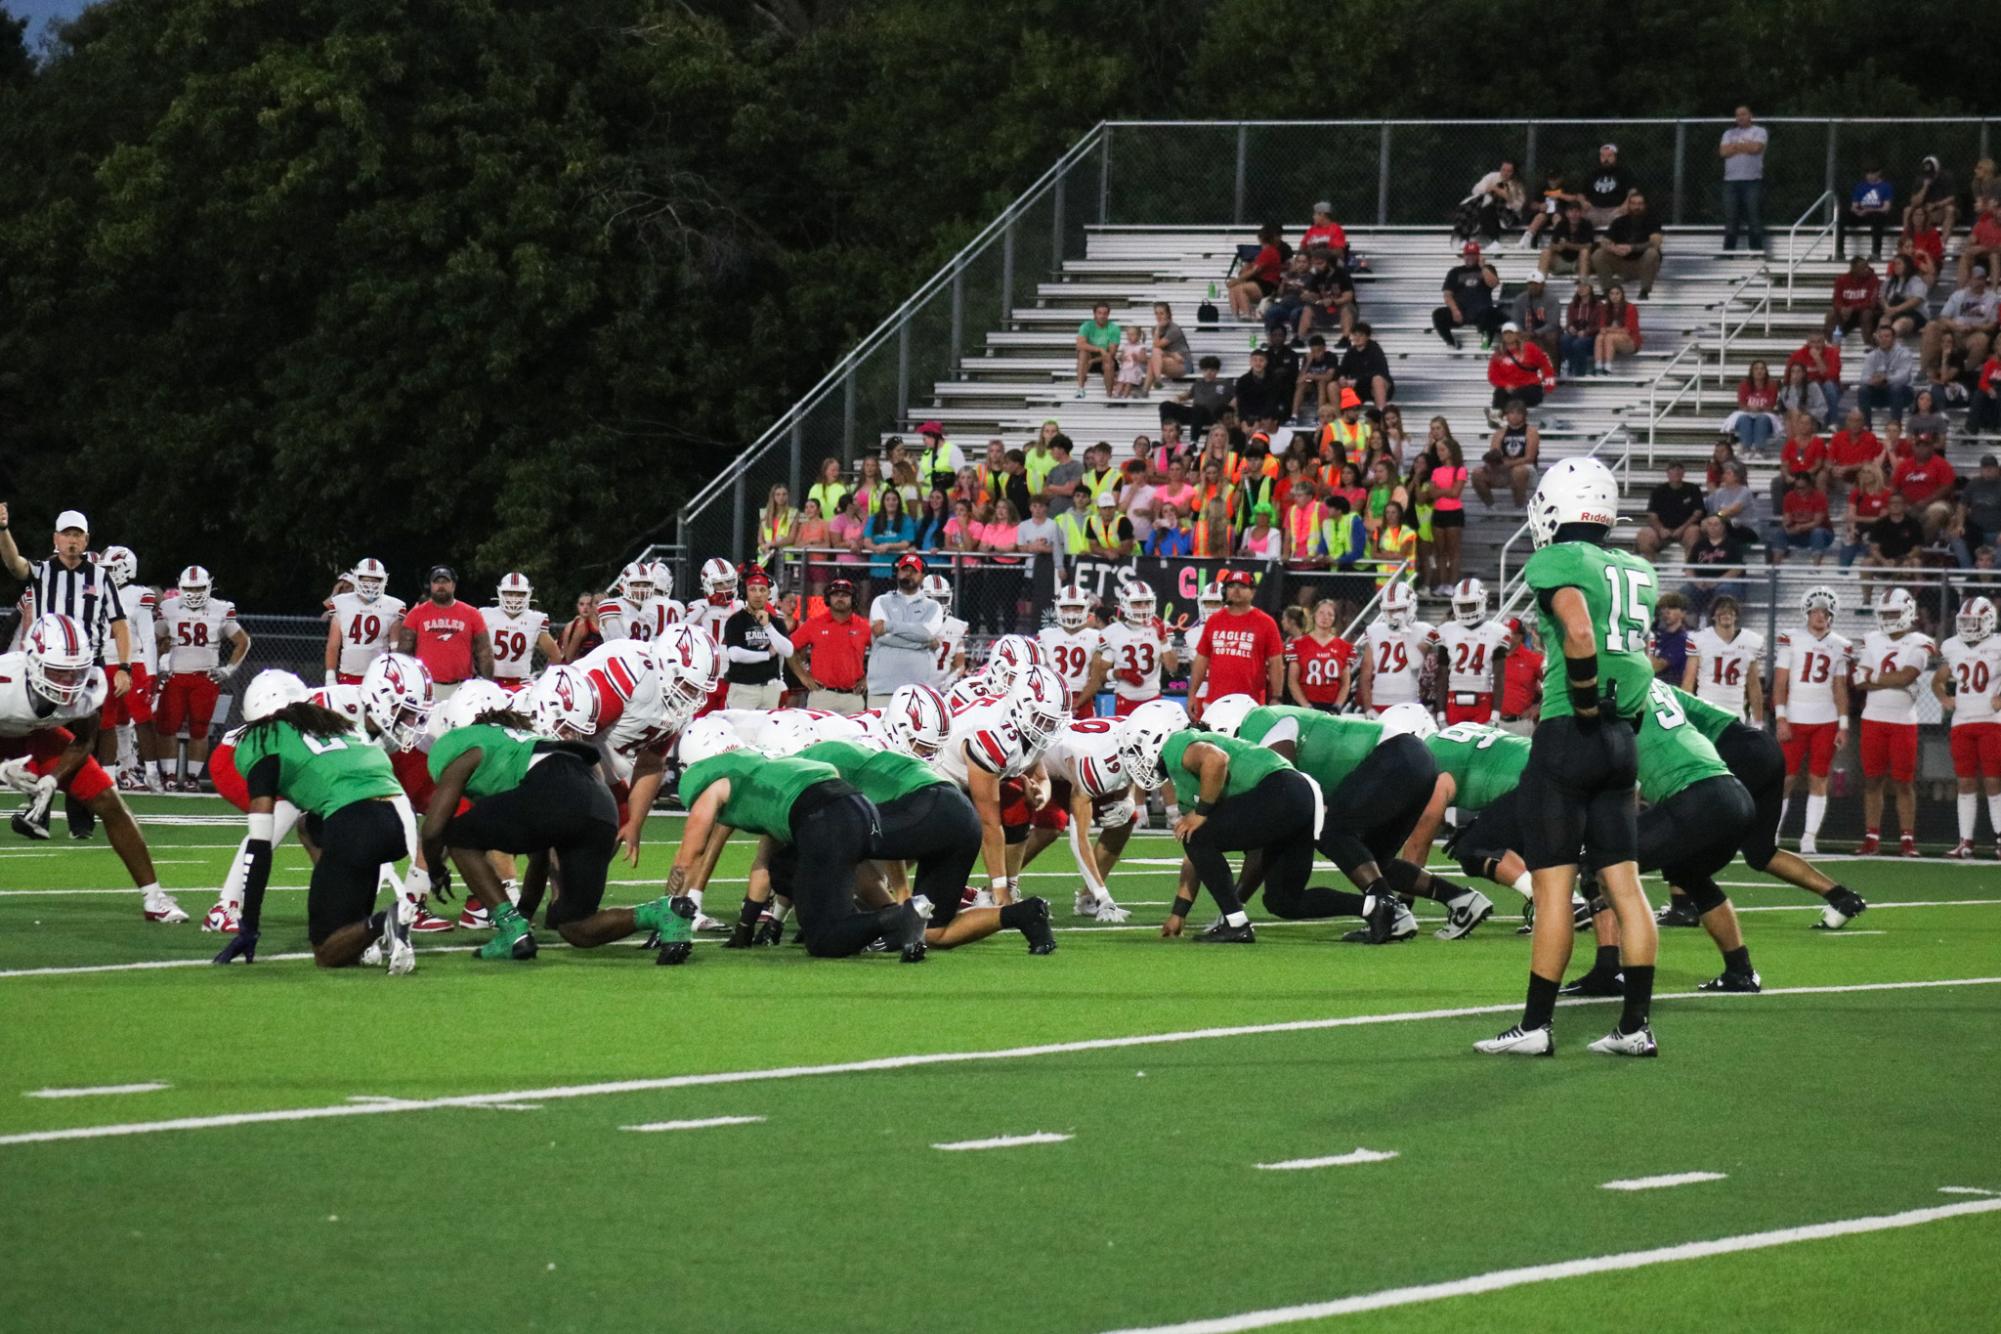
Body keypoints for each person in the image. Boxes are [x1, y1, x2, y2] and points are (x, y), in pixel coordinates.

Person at [1476, 458, 1662, 1058]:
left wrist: (1582, 700)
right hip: (1622, 740)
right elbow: (1636, 661)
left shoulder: (1559, 559)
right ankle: (1634, 1027)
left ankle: (1535, 1026)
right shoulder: (1638, 569)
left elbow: (1580, 635)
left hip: (1571, 733)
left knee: (1554, 890)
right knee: (1626, 889)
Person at [209, 670, 419, 972]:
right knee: (309, 825)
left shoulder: (262, 737)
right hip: (398, 822)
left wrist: (250, 924)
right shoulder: (339, 724)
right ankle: (361, 930)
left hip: (354, 824)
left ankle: (384, 921)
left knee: (326, 953)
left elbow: (260, 843)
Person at [0, 612, 180, 923]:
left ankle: (154, 898)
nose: (68, 683)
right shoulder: (5, 683)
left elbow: (83, 741)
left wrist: (52, 780)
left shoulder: (88, 688)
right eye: (58, 672)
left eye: (75, 673)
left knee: (110, 803)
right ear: (33, 662)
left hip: (39, 734)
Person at [1122, 707, 1350, 945]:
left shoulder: (1179, 743)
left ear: (1159, 734)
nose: (1136, 759)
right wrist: (1179, 913)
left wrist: (1201, 813)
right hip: (1299, 795)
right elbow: (1196, 857)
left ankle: (1236, 924)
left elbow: (1216, 760)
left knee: (1198, 834)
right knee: (1284, 901)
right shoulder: (1185, 774)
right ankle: (1374, 906)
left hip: (1281, 790)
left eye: (1137, 748)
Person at [155, 565, 252, 792]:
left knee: (200, 729)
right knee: (167, 727)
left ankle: (192, 778)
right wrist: (157, 665)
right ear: (180, 586)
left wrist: (228, 670)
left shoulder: (221, 608)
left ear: (208, 586)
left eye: (199, 587)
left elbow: (243, 641)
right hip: (175, 676)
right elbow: (154, 639)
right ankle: (169, 776)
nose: (194, 593)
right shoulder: (169, 607)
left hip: (204, 677)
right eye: (190, 588)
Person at [1853, 588, 1934, 857]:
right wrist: (1888, 678)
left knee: (1903, 782)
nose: (1888, 619)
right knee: (1872, 780)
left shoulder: (1920, 641)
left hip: (1903, 721)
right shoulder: (1872, 639)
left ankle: (1907, 839)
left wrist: (1874, 677)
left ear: (1908, 612)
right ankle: (1871, 837)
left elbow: (1906, 677)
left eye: (1894, 613)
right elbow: (1858, 680)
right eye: (1885, 614)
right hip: (1873, 719)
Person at [1773, 585, 1853, 856]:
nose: (1820, 616)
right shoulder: (1791, 638)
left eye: (1825, 612)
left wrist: (1844, 724)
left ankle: (1809, 837)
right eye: (1816, 611)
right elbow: (1780, 681)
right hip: (1795, 717)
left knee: (1819, 778)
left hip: (1825, 718)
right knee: (1785, 777)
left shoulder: (1841, 645)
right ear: (1807, 612)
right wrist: (1781, 717)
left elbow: (1840, 687)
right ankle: (1773, 831)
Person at [1935, 597, 2001, 858]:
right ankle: (1966, 841)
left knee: (1993, 781)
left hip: (1991, 721)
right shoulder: (1952, 647)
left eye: (1974, 622)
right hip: (1962, 721)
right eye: (1965, 622)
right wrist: (1943, 697)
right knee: (1964, 782)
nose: (1969, 627)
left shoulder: (1997, 645)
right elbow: (1938, 680)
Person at [1186, 568, 1283, 720]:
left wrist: (1277, 696)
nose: (1236, 591)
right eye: (1232, 586)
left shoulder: (1266, 622)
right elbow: (1201, 660)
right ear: (1225, 590)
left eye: (1242, 586)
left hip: (1250, 704)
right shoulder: (1214, 621)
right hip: (1214, 702)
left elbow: (1275, 662)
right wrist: (1192, 694)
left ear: (1252, 592)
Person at [394, 565, 491, 703]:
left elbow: (484, 652)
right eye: (436, 582)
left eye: (445, 582)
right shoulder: (416, 614)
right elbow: (403, 653)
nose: (441, 586)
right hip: (426, 686)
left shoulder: (471, 614)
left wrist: (488, 685)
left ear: (453, 585)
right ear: (430, 585)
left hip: (462, 686)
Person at [864, 553, 942, 708]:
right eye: (904, 569)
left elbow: (926, 633)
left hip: (920, 690)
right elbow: (881, 637)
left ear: (922, 576)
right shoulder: (880, 601)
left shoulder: (934, 606)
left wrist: (889, 626)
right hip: (882, 688)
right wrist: (921, 643)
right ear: (896, 572)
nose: (908, 573)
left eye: (914, 571)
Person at [1431, 578, 1508, 725]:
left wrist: (1495, 714)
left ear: (1482, 602)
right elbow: (1442, 675)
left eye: (1471, 605)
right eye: (1463, 606)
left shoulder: (1496, 631)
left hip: (1483, 698)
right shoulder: (1447, 630)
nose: (1466, 610)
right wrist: (1441, 715)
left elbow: (1499, 677)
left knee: (1481, 746)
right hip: (1454, 700)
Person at [788, 577, 870, 712]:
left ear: (853, 598)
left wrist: (868, 678)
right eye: (835, 594)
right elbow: (789, 648)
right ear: (828, 598)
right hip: (822, 695)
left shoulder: (863, 626)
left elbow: (881, 651)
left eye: (845, 595)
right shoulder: (814, 623)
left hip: (853, 696)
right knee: (818, 733)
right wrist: (803, 676)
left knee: (854, 733)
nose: (840, 598)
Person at [718, 566, 793, 710]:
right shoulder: (736, 620)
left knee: (769, 732)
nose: (758, 595)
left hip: (771, 689)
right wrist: (767, 654)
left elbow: (788, 650)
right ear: (745, 592)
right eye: (753, 589)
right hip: (743, 689)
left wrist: (768, 626)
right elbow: (735, 655)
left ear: (768, 593)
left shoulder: (776, 621)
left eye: (762, 590)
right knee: (742, 731)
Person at [324, 557, 405, 687]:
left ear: (384, 580)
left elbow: (395, 649)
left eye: (375, 580)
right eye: (366, 579)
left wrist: (397, 676)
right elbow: (333, 645)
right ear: (356, 578)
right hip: (348, 675)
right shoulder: (341, 603)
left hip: (380, 678)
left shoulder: (394, 606)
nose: (370, 584)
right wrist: (330, 677)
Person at [1683, 594, 1764, 723]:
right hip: (1706, 708)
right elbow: (1689, 680)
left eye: (1730, 611)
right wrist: (1684, 713)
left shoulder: (1750, 641)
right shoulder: (1700, 639)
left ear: (1736, 615)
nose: (1726, 614)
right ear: (1713, 616)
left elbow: (1753, 684)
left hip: (1735, 710)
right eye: (1721, 611)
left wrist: (1759, 721)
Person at [1357, 583, 1432, 715]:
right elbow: (1365, 674)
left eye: (1400, 609)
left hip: (1409, 702)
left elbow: (1415, 663)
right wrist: (1368, 708)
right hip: (1379, 700)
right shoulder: (1375, 631)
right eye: (1390, 610)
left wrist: (1405, 631)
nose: (1395, 614)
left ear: (1411, 606)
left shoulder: (1423, 630)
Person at [483, 572, 560, 693]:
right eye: (509, 593)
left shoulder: (535, 619)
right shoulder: (486, 615)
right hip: (490, 681)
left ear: (528, 594)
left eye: (520, 594)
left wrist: (544, 681)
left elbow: (555, 655)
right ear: (500, 593)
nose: (514, 598)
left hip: (521, 683)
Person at [1592, 190, 1664, 298]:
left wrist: (1632, 248)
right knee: (1598, 254)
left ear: (1644, 205)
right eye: (1633, 204)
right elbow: (1604, 241)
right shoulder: (1619, 222)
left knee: (1652, 253)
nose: (1636, 207)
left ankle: (1644, 291)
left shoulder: (1652, 221)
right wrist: (1614, 249)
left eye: (1640, 204)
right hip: (1621, 263)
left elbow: (1656, 243)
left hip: (1642, 264)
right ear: (1629, 205)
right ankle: (1608, 291)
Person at [1432, 241, 1502, 350]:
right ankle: (1451, 342)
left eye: (1473, 254)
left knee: (1492, 313)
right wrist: (1455, 310)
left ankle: (1485, 344)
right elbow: (1447, 294)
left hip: (1481, 310)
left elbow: (1493, 283)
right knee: (1438, 314)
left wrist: (1483, 267)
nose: (1470, 257)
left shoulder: (1488, 269)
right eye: (1468, 254)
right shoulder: (1455, 272)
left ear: (1478, 255)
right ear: (1464, 255)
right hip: (1461, 311)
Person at [1285, 599, 1352, 711]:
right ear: (1314, 614)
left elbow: (1345, 683)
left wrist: (1337, 705)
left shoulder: (1343, 647)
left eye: (1330, 614)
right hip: (1304, 706)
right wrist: (1306, 705)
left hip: (1330, 707)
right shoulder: (1298, 644)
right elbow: (1292, 681)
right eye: (1321, 612)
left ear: (1334, 619)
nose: (1325, 617)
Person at [1633, 459, 1704, 561]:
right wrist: (1660, 529)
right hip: (1663, 530)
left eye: (1679, 470)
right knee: (1643, 535)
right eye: (1673, 470)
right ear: (1667, 473)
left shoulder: (1693, 489)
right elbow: (1652, 515)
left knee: (1694, 532)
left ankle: (1689, 570)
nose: (1676, 472)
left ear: (1684, 473)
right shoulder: (1658, 491)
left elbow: (1698, 513)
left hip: (1685, 530)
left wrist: (1682, 529)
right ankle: (1652, 567)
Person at [1719, 106, 1768, 251]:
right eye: (1737, 115)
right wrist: (1744, 146)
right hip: (1731, 181)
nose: (1740, 117)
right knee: (1731, 218)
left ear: (1750, 115)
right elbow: (1723, 152)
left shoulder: (1759, 131)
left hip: (1752, 181)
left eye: (1743, 114)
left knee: (1754, 217)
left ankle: (1756, 251)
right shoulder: (1728, 133)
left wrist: (1734, 147)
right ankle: (1728, 252)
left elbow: (1756, 149)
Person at [1682, 515, 1750, 618]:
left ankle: (1715, 622)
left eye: (1716, 524)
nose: (1712, 527)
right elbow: (1689, 567)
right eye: (1709, 524)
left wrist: (1717, 582)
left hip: (1727, 583)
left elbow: (1737, 569)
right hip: (1702, 583)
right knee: (1685, 592)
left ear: (1723, 527)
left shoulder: (1733, 544)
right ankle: (1691, 626)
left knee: (1724, 590)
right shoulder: (1699, 544)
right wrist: (1696, 581)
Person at [1477, 398, 1539, 507]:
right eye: (1511, 412)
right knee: (1477, 473)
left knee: (1518, 471)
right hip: (1504, 469)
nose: (1515, 416)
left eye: (1518, 413)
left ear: (1524, 415)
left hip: (1527, 469)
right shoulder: (1499, 433)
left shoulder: (1531, 432)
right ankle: (1491, 508)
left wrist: (1508, 464)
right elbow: (1495, 454)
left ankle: (1519, 508)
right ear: (1506, 415)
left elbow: (1529, 458)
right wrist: (1494, 463)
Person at [1486, 322, 1556, 414]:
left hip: (1530, 387)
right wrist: (1505, 385)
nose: (1508, 336)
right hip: (1510, 388)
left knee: (1516, 397)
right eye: (1505, 333)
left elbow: (1546, 365)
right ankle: (1497, 416)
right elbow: (1493, 376)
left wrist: (1549, 385)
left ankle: (1504, 416)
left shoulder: (1530, 348)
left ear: (1517, 334)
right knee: (1500, 393)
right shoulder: (1498, 354)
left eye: (1511, 333)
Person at [1856, 324, 1918, 427]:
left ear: (1894, 338)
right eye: (1881, 337)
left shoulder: (1904, 353)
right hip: (1880, 392)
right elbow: (1863, 378)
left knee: (1896, 388)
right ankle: (1866, 427)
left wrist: (1885, 379)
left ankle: (1895, 426)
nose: (1883, 339)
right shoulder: (1872, 355)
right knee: (1862, 390)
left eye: (1887, 336)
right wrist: (1872, 381)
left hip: (1903, 394)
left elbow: (1903, 378)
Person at [1227, 222, 1285, 321]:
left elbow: (1255, 270)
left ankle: (1246, 315)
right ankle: (1235, 317)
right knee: (1232, 290)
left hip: (1268, 285)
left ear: (1261, 238)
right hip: (1262, 282)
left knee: (1240, 288)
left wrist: (1237, 280)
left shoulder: (1269, 251)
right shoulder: (1266, 252)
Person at [1838, 165, 1895, 260]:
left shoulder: (1886, 186)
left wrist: (1869, 209)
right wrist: (1858, 211)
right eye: (1868, 173)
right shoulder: (1861, 186)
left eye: (1873, 173)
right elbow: (1854, 205)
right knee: (1843, 215)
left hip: (1877, 214)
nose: (1870, 176)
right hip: (1862, 214)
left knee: (1877, 218)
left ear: (1879, 173)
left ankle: (1876, 253)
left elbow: (1886, 208)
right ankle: (1839, 251)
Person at [1580, 143, 1636, 228]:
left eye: (1609, 156)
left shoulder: (1624, 172)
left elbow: (1633, 191)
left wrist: (1626, 204)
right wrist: (1583, 202)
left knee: (1620, 220)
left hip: (1616, 209)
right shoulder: (1593, 173)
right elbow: (1581, 193)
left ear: (1615, 157)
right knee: (1580, 219)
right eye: (1603, 156)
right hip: (1595, 210)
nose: (1606, 159)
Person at [1538, 198, 1597, 279]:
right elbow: (1552, 244)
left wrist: (1568, 245)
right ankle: (1539, 282)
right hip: (1562, 261)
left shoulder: (1586, 224)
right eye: (1571, 211)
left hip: (1579, 262)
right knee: (1545, 252)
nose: (1574, 214)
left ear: (1581, 213)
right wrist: (1558, 247)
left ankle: (1583, 284)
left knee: (1585, 252)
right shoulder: (1561, 224)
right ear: (1566, 213)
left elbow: (1588, 246)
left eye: (1576, 211)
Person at [1508, 271, 1560, 360]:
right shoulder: (1520, 299)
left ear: (1543, 285)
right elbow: (1515, 320)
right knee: (1511, 337)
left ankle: (1553, 367)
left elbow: (1553, 323)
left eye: (1536, 284)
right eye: (1530, 284)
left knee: (1551, 338)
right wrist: (1521, 332)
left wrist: (1535, 333)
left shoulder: (1552, 299)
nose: (1533, 287)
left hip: (1545, 332)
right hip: (1526, 331)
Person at [1592, 283, 1642, 375]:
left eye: (1617, 293)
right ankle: (1598, 366)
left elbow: (1627, 330)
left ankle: (1607, 367)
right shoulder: (1605, 308)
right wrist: (1607, 330)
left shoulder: (1630, 308)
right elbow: (1602, 328)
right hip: (1612, 339)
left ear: (1622, 295)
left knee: (1609, 337)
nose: (1614, 296)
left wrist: (1608, 330)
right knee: (1599, 337)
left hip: (1630, 341)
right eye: (1611, 294)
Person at [1558, 278, 1602, 380]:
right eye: (1579, 286)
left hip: (1591, 336)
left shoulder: (1599, 306)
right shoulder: (1572, 305)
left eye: (1584, 286)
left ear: (1590, 288)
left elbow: (1600, 325)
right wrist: (1570, 328)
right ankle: (1568, 366)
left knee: (1579, 343)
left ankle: (1580, 372)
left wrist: (1587, 332)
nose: (1581, 289)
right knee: (1565, 339)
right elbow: (1569, 322)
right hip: (1576, 334)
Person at [1143, 302, 1191, 396]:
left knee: (1153, 359)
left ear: (1168, 314)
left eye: (1162, 313)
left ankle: (1146, 389)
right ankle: (1156, 381)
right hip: (1168, 360)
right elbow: (1156, 349)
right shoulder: (1155, 329)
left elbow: (1157, 346)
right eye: (1156, 313)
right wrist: (1171, 354)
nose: (1159, 316)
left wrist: (1157, 330)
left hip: (1183, 363)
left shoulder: (1174, 329)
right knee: (1154, 356)